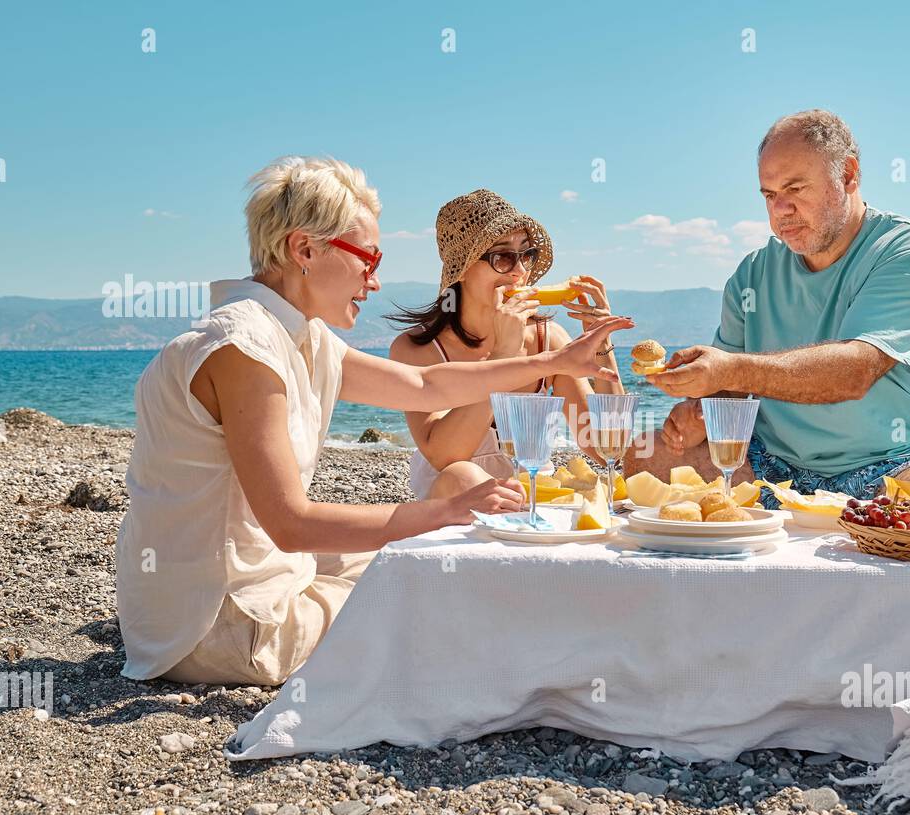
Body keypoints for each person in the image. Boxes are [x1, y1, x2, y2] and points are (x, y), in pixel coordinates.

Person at [116, 158, 630, 686]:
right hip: (221, 624)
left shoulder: (299, 336)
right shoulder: (244, 347)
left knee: (441, 570)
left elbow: (426, 387)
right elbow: (292, 525)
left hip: (238, 589)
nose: (375, 279)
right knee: (453, 598)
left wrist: (551, 363)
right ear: (304, 249)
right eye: (368, 258)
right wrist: (446, 510)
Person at [627, 109, 910, 506]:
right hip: (771, 463)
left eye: (796, 189)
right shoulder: (752, 273)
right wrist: (699, 412)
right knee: (644, 455)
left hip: (888, 463)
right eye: (770, 195)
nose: (780, 210)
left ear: (848, 175)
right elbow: (729, 387)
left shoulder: (908, 254)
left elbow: (854, 372)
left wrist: (730, 369)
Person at [388, 189, 624, 501]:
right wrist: (504, 357)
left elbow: (606, 447)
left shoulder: (547, 339)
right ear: (462, 270)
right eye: (502, 257)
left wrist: (601, 343)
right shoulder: (418, 349)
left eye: (526, 255)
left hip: (532, 504)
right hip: (454, 510)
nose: (520, 272)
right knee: (463, 476)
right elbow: (445, 457)